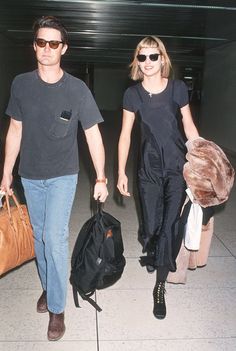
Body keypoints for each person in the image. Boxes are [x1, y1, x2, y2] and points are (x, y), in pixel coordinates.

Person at [0, 16, 108, 341]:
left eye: (53, 43)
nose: (46, 49)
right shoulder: (21, 84)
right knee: (39, 239)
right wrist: (6, 172)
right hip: (30, 175)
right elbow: (15, 129)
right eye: (41, 42)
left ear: (64, 48)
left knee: (55, 238)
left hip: (63, 174)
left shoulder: (77, 89)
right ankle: (49, 288)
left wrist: (101, 177)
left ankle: (57, 308)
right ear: (34, 46)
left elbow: (93, 135)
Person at [117, 36, 199, 320]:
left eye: (153, 57)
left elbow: (187, 124)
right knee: (151, 227)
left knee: (169, 227)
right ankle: (151, 245)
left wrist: (202, 154)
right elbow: (125, 135)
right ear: (137, 61)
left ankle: (160, 286)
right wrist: (120, 172)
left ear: (163, 58)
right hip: (148, 169)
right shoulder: (132, 94)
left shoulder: (177, 88)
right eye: (142, 57)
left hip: (177, 167)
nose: (148, 63)